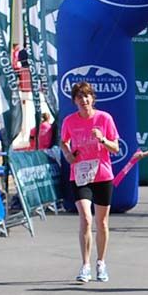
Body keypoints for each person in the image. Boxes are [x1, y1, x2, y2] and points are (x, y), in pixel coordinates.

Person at [59, 82, 119, 283]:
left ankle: (101, 262)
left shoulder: (104, 118)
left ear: (92, 98)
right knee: (85, 218)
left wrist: (102, 140)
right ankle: (85, 265)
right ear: (74, 101)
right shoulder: (69, 121)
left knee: (101, 222)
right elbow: (63, 141)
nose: (84, 101)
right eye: (79, 97)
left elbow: (116, 148)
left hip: (102, 175)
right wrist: (68, 154)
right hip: (80, 175)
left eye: (87, 96)